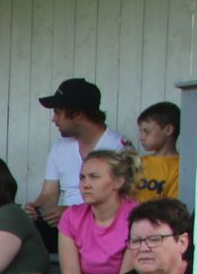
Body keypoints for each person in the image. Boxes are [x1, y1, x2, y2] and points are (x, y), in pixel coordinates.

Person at [28, 77, 126, 229]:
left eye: (58, 112)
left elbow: (123, 204)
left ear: (78, 113)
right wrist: (36, 208)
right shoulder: (59, 148)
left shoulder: (119, 148)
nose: (54, 119)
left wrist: (74, 212)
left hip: (103, 226)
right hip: (67, 226)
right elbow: (48, 195)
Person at [55, 148, 139, 274]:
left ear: (118, 182)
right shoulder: (71, 216)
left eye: (94, 177)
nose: (85, 184)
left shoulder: (137, 216)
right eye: (82, 178)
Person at [132, 101, 182, 202]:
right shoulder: (137, 162)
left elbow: (172, 207)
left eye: (146, 131)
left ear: (168, 130)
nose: (141, 137)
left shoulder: (180, 168)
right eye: (140, 132)